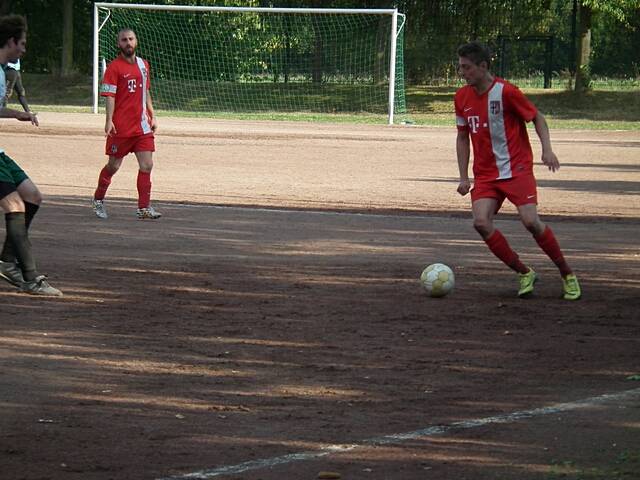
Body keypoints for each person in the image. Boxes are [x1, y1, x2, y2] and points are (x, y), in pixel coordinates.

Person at [454, 41, 581, 300]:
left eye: (466, 68)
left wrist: (547, 150)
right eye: (460, 67)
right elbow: (462, 137)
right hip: (486, 175)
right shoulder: (461, 97)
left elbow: (538, 117)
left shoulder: (507, 92)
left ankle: (567, 274)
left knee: (531, 221)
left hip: (517, 169)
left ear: (483, 66)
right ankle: (524, 272)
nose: (462, 73)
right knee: (480, 222)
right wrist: (464, 176)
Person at [0, 14, 62, 296]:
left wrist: (19, 115)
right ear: (11, 42)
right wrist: (17, 114)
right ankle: (31, 278)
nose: (24, 49)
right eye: (22, 43)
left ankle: (6, 262)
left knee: (32, 196)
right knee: (15, 207)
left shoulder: (3, 71)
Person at [92, 28, 161, 220]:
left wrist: (152, 115)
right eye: (124, 40)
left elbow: (145, 92)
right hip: (121, 128)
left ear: (136, 41)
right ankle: (98, 199)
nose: (128, 43)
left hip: (142, 127)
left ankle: (143, 208)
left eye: (130, 39)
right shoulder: (114, 68)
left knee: (147, 165)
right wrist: (109, 121)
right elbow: (110, 96)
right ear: (118, 44)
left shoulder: (143, 65)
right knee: (113, 166)